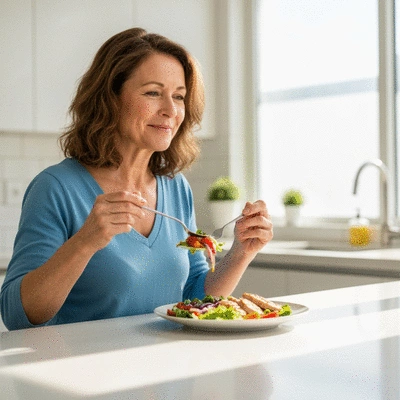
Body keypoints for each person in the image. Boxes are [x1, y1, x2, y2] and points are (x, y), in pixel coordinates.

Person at [0, 28, 273, 331]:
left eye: (179, 96)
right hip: (81, 373)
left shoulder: (175, 186)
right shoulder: (55, 188)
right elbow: (16, 315)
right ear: (110, 98)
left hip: (165, 369)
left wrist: (240, 253)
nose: (170, 110)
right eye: (153, 92)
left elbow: (194, 297)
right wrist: (85, 243)